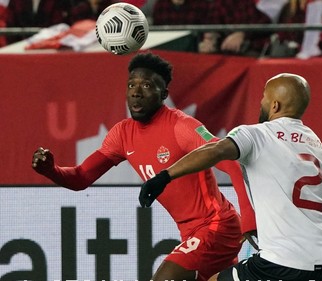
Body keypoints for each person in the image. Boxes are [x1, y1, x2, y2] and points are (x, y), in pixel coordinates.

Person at [31, 52, 257, 281]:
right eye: (131, 85)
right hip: (191, 232)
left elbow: (233, 163)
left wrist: (249, 218)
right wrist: (51, 170)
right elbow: (80, 178)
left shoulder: (182, 126)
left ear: (164, 94)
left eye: (147, 85)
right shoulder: (122, 134)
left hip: (217, 225)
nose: (136, 92)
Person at [139, 73, 322, 281]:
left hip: (281, 263)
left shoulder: (256, 133)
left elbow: (215, 151)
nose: (261, 103)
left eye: (263, 98)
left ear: (274, 105)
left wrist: (165, 176)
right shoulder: (318, 146)